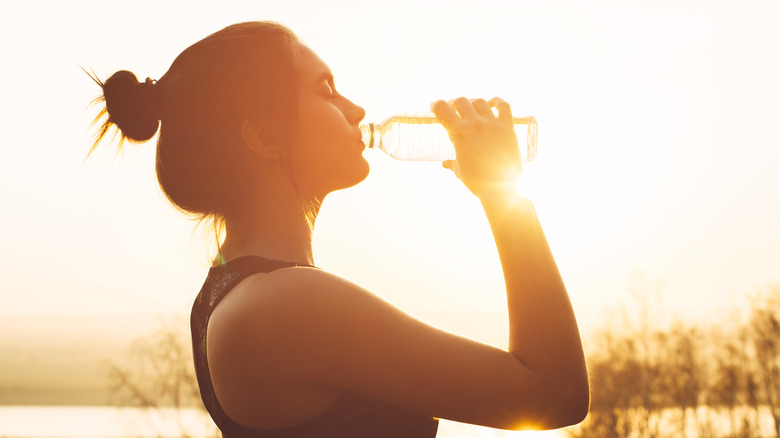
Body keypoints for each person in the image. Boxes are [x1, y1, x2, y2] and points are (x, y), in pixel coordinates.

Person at [88, 21, 589, 438]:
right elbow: (553, 394)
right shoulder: (282, 303)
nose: (356, 110)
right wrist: (505, 196)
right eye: (325, 90)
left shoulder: (228, 296)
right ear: (265, 136)